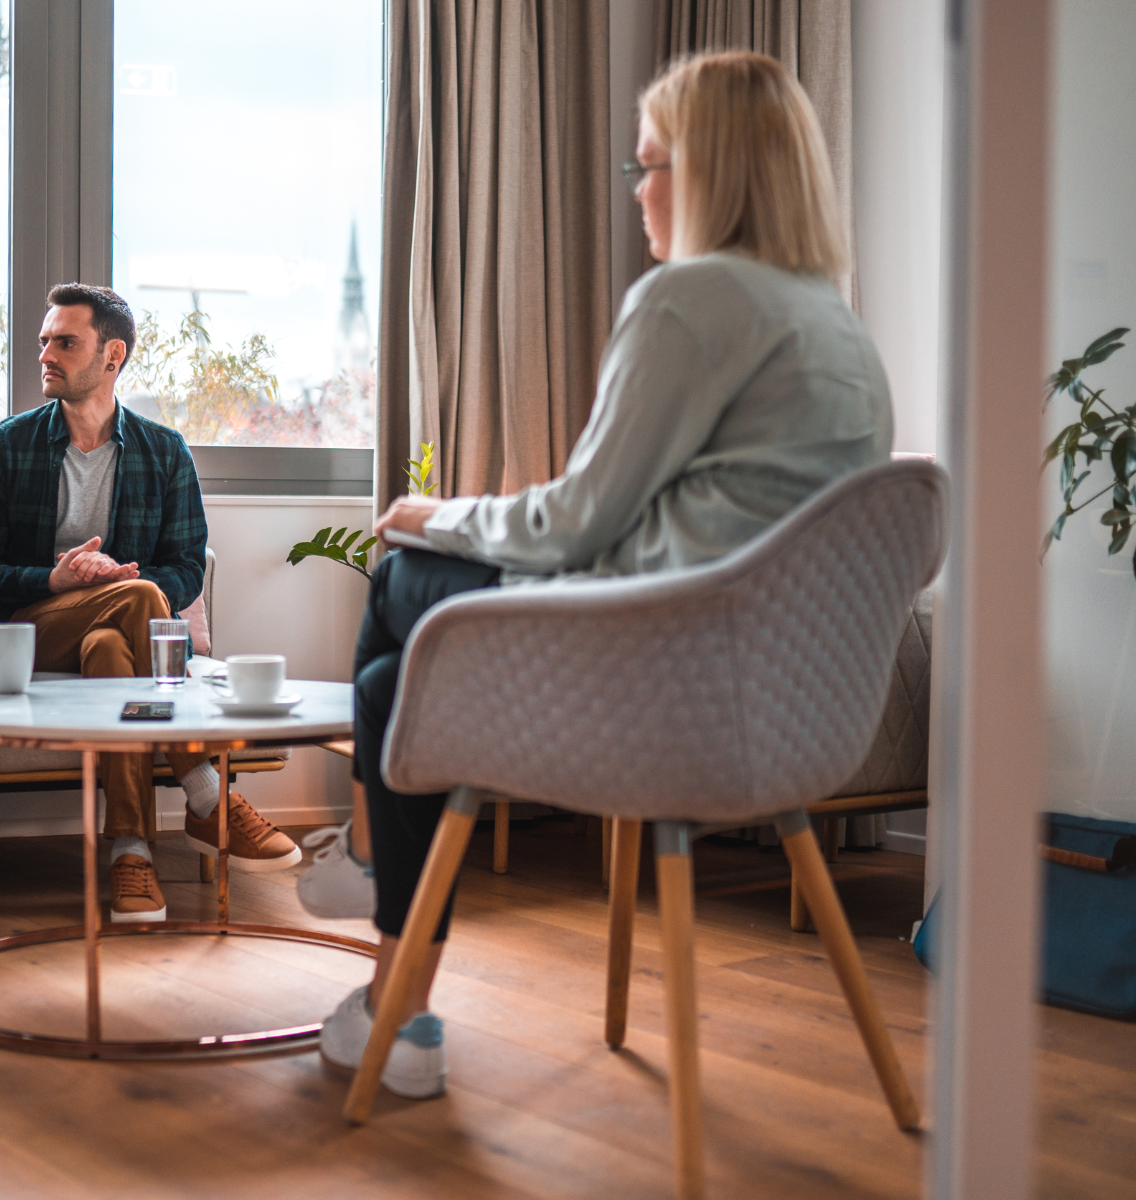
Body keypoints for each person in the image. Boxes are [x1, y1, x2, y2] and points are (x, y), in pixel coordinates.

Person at [304, 51, 895, 1099]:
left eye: (649, 166)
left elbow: (577, 522)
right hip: (786, 711)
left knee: (398, 586)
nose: (636, 192)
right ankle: (399, 1001)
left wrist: (439, 513)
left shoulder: (689, 299)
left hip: (656, 683)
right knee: (398, 685)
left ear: (709, 174)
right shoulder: (838, 326)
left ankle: (378, 898)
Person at [0, 283, 301, 924]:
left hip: (120, 641)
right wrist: (56, 580)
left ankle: (131, 853)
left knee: (111, 645)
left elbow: (187, 567)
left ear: (112, 355)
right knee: (139, 596)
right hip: (37, 630)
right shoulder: (7, 446)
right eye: (44, 341)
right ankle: (206, 792)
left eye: (65, 342)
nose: (46, 355)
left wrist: (119, 587)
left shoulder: (164, 450)